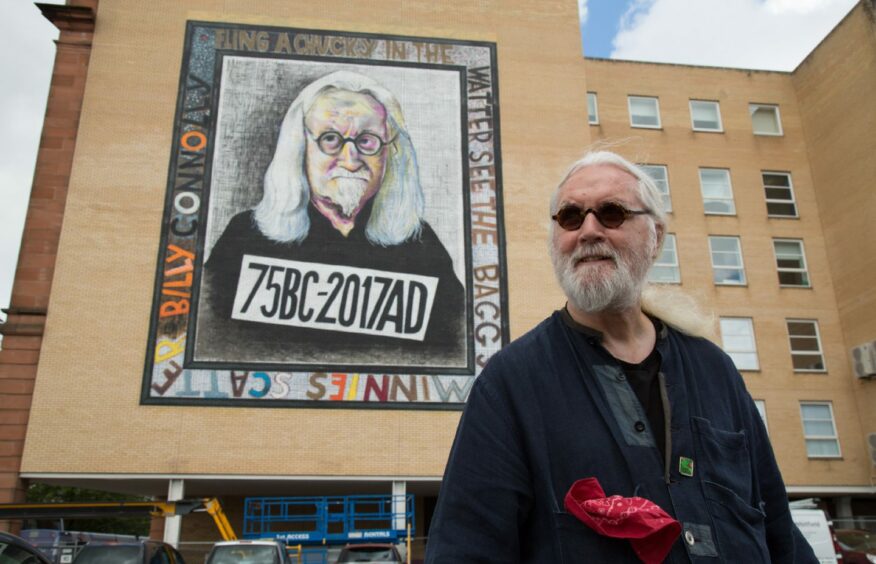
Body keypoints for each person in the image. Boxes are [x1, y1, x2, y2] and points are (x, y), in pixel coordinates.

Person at [425, 151, 816, 562]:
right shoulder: (512, 382)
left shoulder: (714, 370)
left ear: (656, 236)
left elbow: (777, 530)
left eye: (611, 213)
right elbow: (465, 548)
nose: (588, 230)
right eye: (571, 217)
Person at [198, 71, 466, 367]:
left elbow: (452, 350)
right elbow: (208, 338)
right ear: (299, 148)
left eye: (367, 140)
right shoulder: (246, 237)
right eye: (330, 139)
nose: (350, 160)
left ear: (391, 154)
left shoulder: (421, 245)